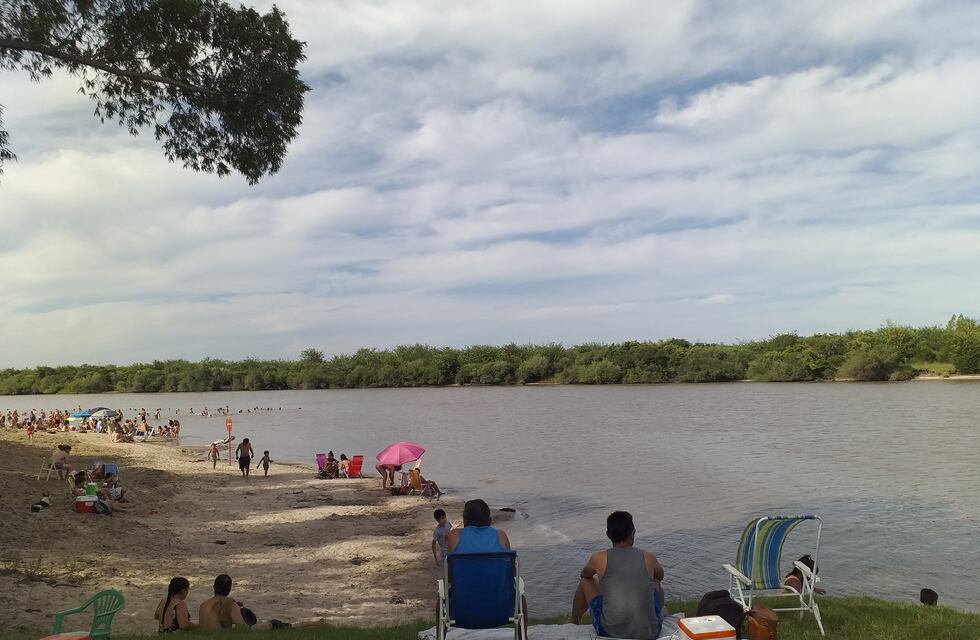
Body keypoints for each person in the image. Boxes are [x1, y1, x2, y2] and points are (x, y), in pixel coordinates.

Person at [568, 511, 665, 640]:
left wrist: (605, 581)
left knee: (586, 581)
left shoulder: (598, 558)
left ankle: (574, 619)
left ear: (608, 535)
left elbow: (585, 574)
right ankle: (662, 610)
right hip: (650, 632)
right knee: (655, 581)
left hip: (609, 632)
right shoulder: (648, 557)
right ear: (633, 533)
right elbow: (660, 576)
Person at [447, 498, 511, 553]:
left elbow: (450, 564)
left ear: (465, 520)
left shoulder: (455, 535)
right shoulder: (501, 536)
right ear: (489, 520)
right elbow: (510, 565)